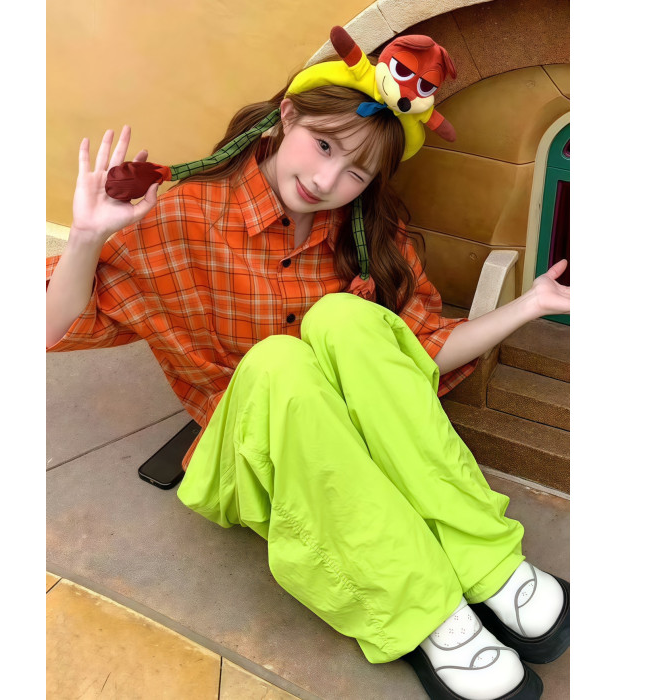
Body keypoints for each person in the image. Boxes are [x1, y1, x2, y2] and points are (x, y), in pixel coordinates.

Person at [46, 51, 570, 700]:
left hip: (351, 441)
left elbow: (421, 351)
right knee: (280, 359)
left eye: (356, 172)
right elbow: (46, 327)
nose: (326, 180)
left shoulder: (368, 231)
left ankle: (492, 568)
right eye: (323, 145)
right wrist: (86, 238)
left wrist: (530, 305)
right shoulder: (183, 216)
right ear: (287, 115)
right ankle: (428, 615)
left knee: (345, 317)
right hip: (247, 460)